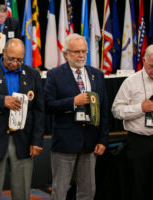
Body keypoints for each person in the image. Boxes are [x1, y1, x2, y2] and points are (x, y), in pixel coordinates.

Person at [0, 38, 44, 200]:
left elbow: (39, 110)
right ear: (3, 52)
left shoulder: (33, 74)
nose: (15, 63)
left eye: (20, 60)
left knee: (22, 194)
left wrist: (37, 140)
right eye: (11, 58)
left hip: (24, 142)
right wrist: (1, 101)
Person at [45, 33, 109, 200]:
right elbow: (48, 105)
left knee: (88, 191)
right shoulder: (55, 75)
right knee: (59, 190)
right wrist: (73, 102)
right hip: (65, 141)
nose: (81, 55)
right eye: (76, 52)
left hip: (90, 142)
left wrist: (102, 140)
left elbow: (103, 110)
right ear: (66, 54)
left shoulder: (97, 74)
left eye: (84, 51)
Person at [112, 45, 153, 200]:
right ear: (144, 61)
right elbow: (116, 111)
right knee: (138, 186)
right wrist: (140, 108)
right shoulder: (131, 82)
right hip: (139, 142)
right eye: (151, 66)